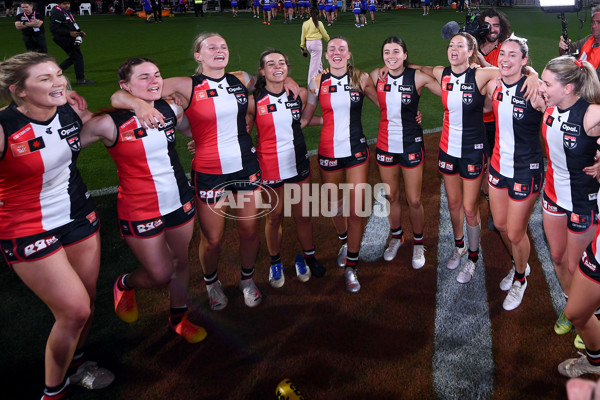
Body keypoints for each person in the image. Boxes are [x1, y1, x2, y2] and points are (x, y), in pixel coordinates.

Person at [111, 33, 291, 310]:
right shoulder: (185, 84)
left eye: (223, 46)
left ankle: (246, 280)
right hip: (209, 172)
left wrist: (287, 81)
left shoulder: (241, 78)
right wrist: (137, 103)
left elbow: (272, 80)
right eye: (211, 47)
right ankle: (212, 283)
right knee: (213, 239)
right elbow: (120, 95)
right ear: (198, 55)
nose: (219, 50)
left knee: (250, 231)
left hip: (246, 168)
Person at [0, 52, 113, 400]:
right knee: (75, 309)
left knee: (88, 302)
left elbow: (94, 126)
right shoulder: (5, 128)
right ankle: (54, 391)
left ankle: (77, 365)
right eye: (44, 79)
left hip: (78, 215)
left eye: (57, 75)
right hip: (27, 227)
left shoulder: (68, 111)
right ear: (18, 90)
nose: (58, 82)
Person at [80, 57, 207, 343]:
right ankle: (124, 284)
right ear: (125, 86)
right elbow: (66, 147)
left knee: (181, 262)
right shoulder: (107, 124)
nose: (154, 81)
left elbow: (191, 129)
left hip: (179, 199)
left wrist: (199, 137)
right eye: (144, 77)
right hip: (139, 208)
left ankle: (178, 319)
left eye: (157, 75)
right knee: (161, 274)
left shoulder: (171, 108)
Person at [416, 32, 537, 284]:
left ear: (470, 52)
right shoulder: (442, 73)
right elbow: (420, 69)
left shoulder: (480, 74)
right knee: (453, 204)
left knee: (471, 209)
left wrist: (533, 75)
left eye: (460, 45)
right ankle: (459, 245)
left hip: (472, 149)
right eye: (451, 45)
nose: (454, 49)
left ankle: (472, 257)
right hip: (447, 148)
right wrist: (393, 65)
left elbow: (509, 71)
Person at [302, 36, 379, 293]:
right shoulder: (317, 81)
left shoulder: (361, 78)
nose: (336, 52)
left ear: (348, 54)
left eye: (341, 48)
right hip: (328, 152)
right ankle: (344, 242)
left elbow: (384, 105)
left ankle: (352, 266)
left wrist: (412, 113)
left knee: (356, 210)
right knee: (335, 205)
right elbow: (305, 117)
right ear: (326, 56)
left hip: (356, 150)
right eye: (332, 48)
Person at [248, 49, 326, 287]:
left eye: (281, 62)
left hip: (298, 163)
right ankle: (275, 261)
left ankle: (309, 257)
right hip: (270, 167)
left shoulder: (299, 94)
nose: (277, 66)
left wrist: (329, 120)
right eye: (271, 64)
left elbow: (302, 120)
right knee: (274, 217)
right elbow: (242, 132)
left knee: (304, 216)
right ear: (262, 71)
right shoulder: (254, 100)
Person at [537, 56, 600, 344]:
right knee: (558, 258)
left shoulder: (590, 115)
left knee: (579, 268)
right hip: (552, 196)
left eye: (547, 83)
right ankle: (571, 305)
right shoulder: (548, 105)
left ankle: (589, 317)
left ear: (570, 87)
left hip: (582, 203)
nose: (542, 87)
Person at [483, 35, 545, 311]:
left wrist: (534, 75)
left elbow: (562, 114)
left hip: (525, 169)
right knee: (501, 225)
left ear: (524, 61)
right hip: (498, 165)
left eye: (513, 55)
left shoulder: (535, 90)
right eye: (503, 54)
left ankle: (520, 277)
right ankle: (521, 266)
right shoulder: (494, 83)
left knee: (517, 233)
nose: (505, 59)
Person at [369, 36, 441, 270]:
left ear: (405, 54)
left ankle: (419, 243)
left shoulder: (417, 77)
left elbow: (448, 91)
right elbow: (371, 94)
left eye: (396, 51)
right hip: (385, 144)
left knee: (414, 199)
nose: (391, 56)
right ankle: (397, 236)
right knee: (392, 197)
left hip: (410, 143)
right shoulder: (375, 76)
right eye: (387, 52)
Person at [477, 8, 512, 232]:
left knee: (496, 163)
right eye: (487, 24)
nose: (492, 29)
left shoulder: (507, 48)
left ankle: (496, 206)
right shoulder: (472, 47)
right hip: (475, 117)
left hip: (498, 118)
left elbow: (504, 74)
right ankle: (489, 195)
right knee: (480, 162)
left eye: (496, 24)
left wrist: (480, 60)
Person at [49, 0, 95, 85]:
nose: (67, 5)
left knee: (75, 57)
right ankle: (80, 79)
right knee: (77, 57)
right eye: (64, 4)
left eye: (68, 3)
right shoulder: (56, 13)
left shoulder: (65, 11)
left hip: (69, 37)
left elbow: (72, 22)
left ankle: (56, 73)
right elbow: (53, 29)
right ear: (59, 4)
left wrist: (79, 30)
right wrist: (69, 33)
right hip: (62, 38)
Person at [559, 5, 600, 79]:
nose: (594, 26)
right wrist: (564, 46)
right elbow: (570, 51)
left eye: (599, 22)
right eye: (592, 22)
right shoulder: (589, 39)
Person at [300, 7, 329, 85]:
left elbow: (303, 36)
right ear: (318, 14)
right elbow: (324, 34)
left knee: (318, 63)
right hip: (316, 44)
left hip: (308, 44)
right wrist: (329, 41)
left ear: (309, 13)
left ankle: (323, 77)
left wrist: (302, 46)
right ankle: (311, 84)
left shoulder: (305, 23)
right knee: (314, 65)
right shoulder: (319, 23)